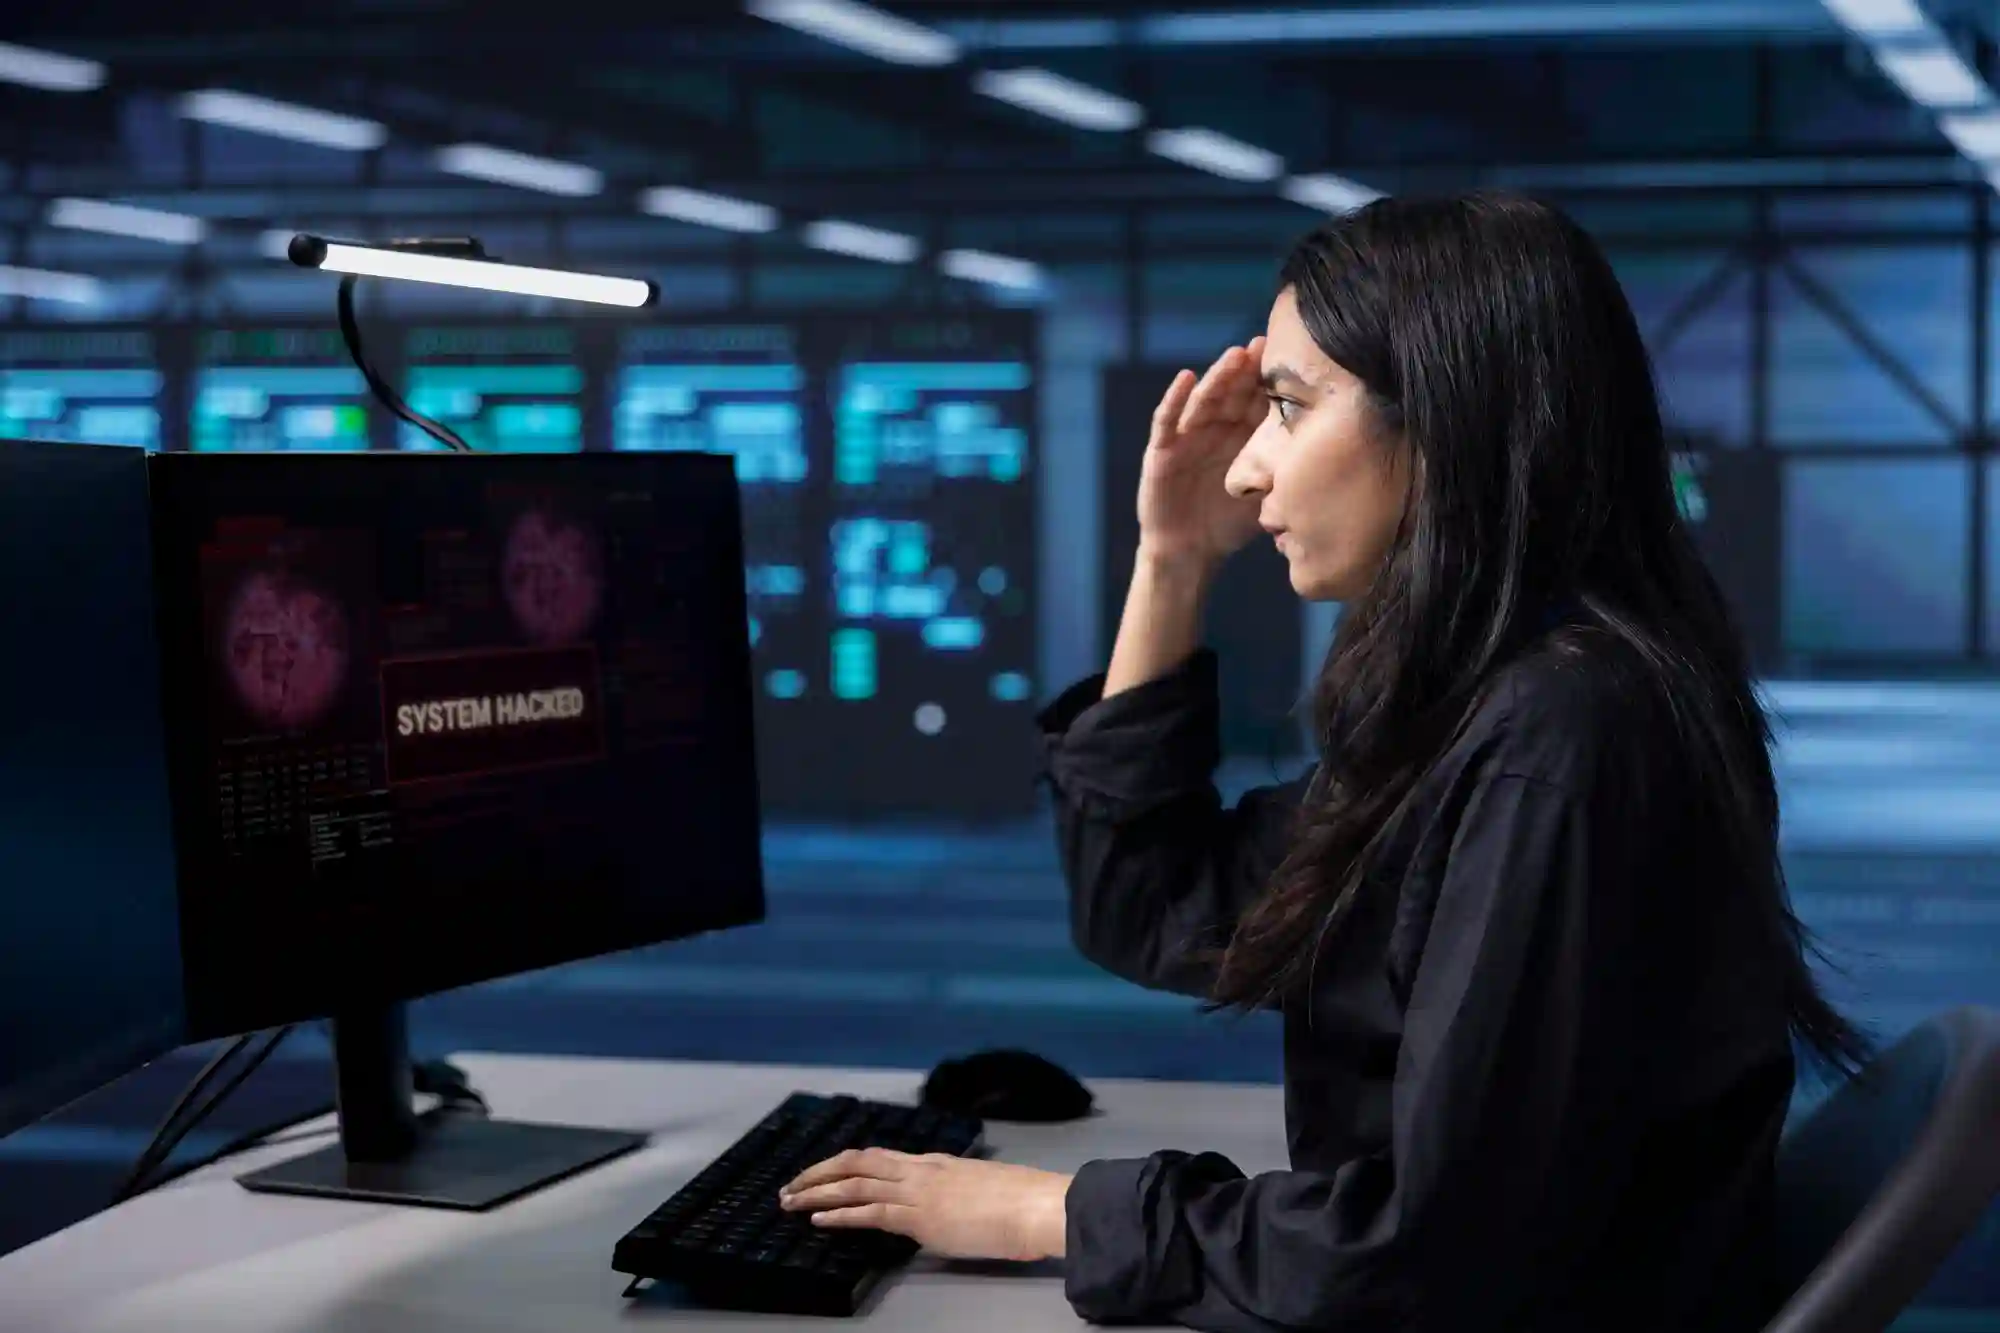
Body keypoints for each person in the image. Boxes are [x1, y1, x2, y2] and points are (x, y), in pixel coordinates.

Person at [779, 191, 1867, 1332]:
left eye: (1287, 409)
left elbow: (1436, 1257)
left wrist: (1053, 1216)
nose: (1247, 472)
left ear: (1444, 423)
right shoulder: (1485, 705)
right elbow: (1153, 904)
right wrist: (1172, 561)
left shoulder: (1562, 733)